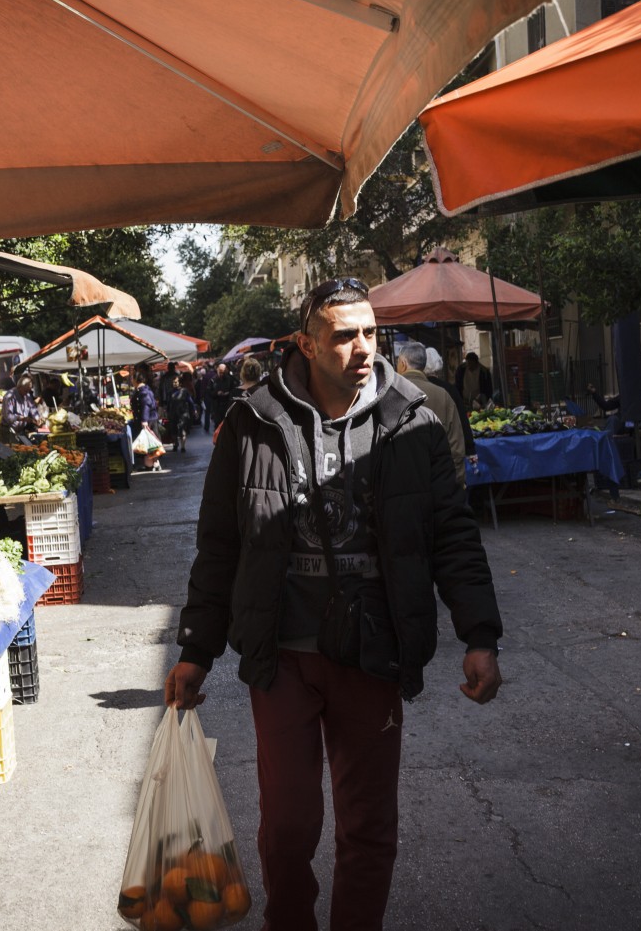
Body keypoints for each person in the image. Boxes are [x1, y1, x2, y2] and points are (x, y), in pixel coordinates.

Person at [165, 278, 503, 931]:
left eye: (369, 333)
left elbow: (454, 537)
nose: (360, 348)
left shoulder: (414, 419)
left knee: (368, 824)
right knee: (288, 824)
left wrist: (479, 634)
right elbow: (218, 546)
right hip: (283, 654)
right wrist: (194, 650)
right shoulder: (250, 422)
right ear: (305, 343)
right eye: (343, 335)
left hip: (372, 649)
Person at [396, 343, 467, 488]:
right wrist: (457, 481)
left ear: (403, 364)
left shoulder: (391, 395)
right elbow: (456, 444)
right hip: (441, 482)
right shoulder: (443, 395)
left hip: (403, 484)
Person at [425, 346, 475, 459]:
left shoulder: (414, 389)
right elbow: (463, 420)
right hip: (449, 449)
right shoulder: (450, 389)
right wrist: (470, 448)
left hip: (425, 451)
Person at [0, 374, 43, 443]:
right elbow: (8, 416)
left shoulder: (27, 395)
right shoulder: (10, 396)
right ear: (19, 387)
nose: (27, 393)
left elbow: (32, 408)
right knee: (7, 452)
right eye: (25, 391)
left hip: (20, 430)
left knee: (21, 450)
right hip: (8, 430)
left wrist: (37, 418)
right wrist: (22, 418)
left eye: (29, 391)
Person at [165, 373, 196, 453]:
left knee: (183, 430)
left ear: (179, 382)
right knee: (173, 430)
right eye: (173, 382)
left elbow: (190, 402)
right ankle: (176, 444)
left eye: (176, 382)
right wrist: (166, 412)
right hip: (173, 413)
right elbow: (168, 403)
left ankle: (183, 447)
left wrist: (194, 410)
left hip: (183, 413)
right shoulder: (170, 392)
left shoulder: (184, 391)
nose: (174, 384)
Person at [209, 362, 236, 429]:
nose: (221, 374)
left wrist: (228, 393)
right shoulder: (213, 380)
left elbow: (234, 390)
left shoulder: (230, 379)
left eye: (223, 372)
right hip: (217, 406)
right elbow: (209, 393)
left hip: (227, 405)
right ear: (217, 370)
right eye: (220, 372)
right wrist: (216, 393)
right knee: (218, 425)